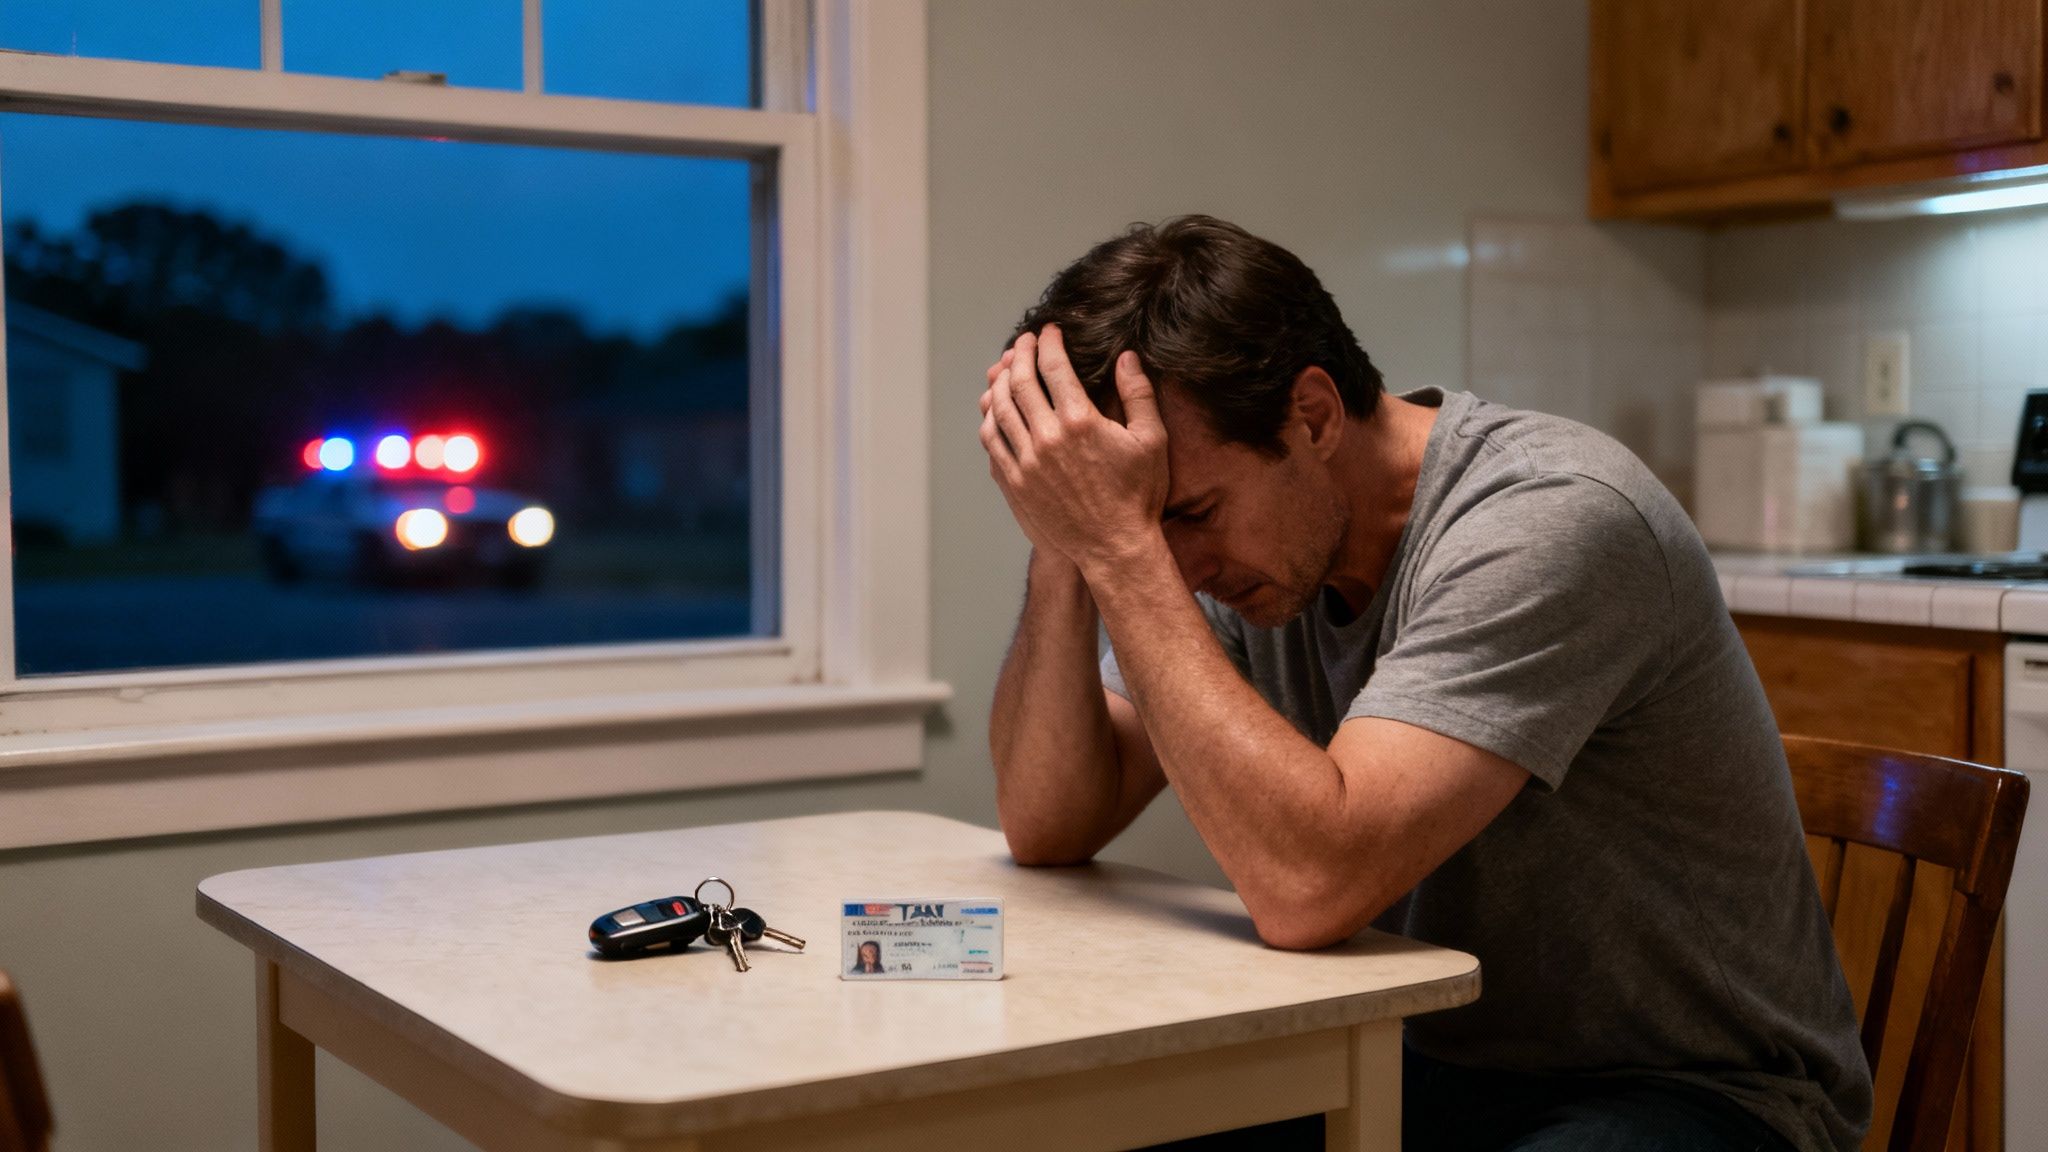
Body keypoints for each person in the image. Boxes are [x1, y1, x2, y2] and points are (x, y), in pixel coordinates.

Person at [978, 216, 1871, 1152]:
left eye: (1193, 513)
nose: (1181, 563)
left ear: (1313, 416)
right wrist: (1066, 539)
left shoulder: (1553, 521)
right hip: (1434, 1060)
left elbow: (1308, 886)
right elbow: (1050, 822)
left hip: (1698, 1093)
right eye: (1147, 526)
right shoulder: (1248, 549)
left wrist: (1122, 546)